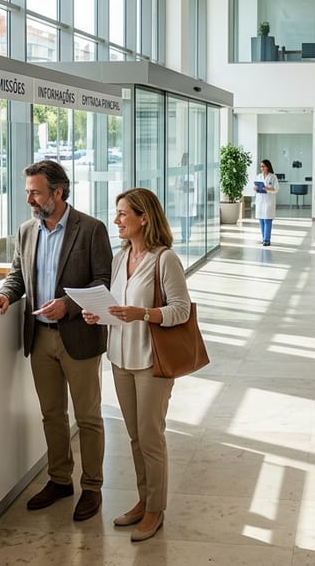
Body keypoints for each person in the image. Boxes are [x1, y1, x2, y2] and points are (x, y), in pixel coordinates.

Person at [0, 160, 113, 522]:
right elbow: (17, 275)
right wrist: (7, 295)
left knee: (88, 418)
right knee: (52, 414)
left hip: (79, 338)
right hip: (40, 339)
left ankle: (93, 487)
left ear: (58, 192)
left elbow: (103, 281)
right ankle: (60, 480)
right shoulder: (26, 231)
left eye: (35, 193)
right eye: (28, 193)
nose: (30, 200)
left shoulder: (92, 229)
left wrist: (67, 306)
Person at [80, 188, 191, 542]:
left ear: (144, 217)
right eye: (117, 214)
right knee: (133, 436)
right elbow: (116, 306)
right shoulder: (120, 257)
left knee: (151, 437)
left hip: (150, 361)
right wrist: (95, 314)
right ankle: (144, 500)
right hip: (120, 358)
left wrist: (143, 313)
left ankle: (156, 509)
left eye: (123, 214)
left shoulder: (165, 259)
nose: (117, 220)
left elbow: (181, 309)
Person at [252, 159, 279, 247]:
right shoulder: (258, 176)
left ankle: (267, 240)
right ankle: (264, 238)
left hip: (269, 201)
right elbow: (254, 187)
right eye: (261, 166)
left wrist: (267, 189)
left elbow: (276, 189)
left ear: (268, 167)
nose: (261, 168)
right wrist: (255, 188)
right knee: (261, 220)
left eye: (263, 166)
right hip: (260, 200)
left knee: (267, 220)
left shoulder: (273, 177)